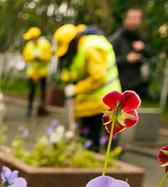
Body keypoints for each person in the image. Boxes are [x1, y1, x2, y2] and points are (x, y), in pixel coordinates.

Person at [53, 23, 122, 152]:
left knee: (94, 141)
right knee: (87, 140)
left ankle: (100, 168)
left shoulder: (90, 48)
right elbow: (77, 70)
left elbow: (98, 77)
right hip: (91, 102)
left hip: (104, 101)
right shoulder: (80, 48)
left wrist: (76, 89)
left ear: (72, 42)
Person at [109, 9, 151, 99]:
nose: (134, 22)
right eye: (132, 18)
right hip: (118, 87)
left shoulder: (140, 38)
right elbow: (107, 62)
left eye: (137, 19)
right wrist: (126, 59)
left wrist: (143, 49)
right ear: (125, 20)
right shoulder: (116, 39)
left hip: (136, 88)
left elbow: (149, 56)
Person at [22, 27, 52, 116]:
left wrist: (40, 57)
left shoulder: (45, 44)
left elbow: (48, 57)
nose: (31, 39)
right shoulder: (29, 45)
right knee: (31, 91)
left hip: (42, 72)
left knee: (43, 91)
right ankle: (29, 108)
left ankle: (43, 108)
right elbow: (26, 56)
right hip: (32, 73)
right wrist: (33, 56)